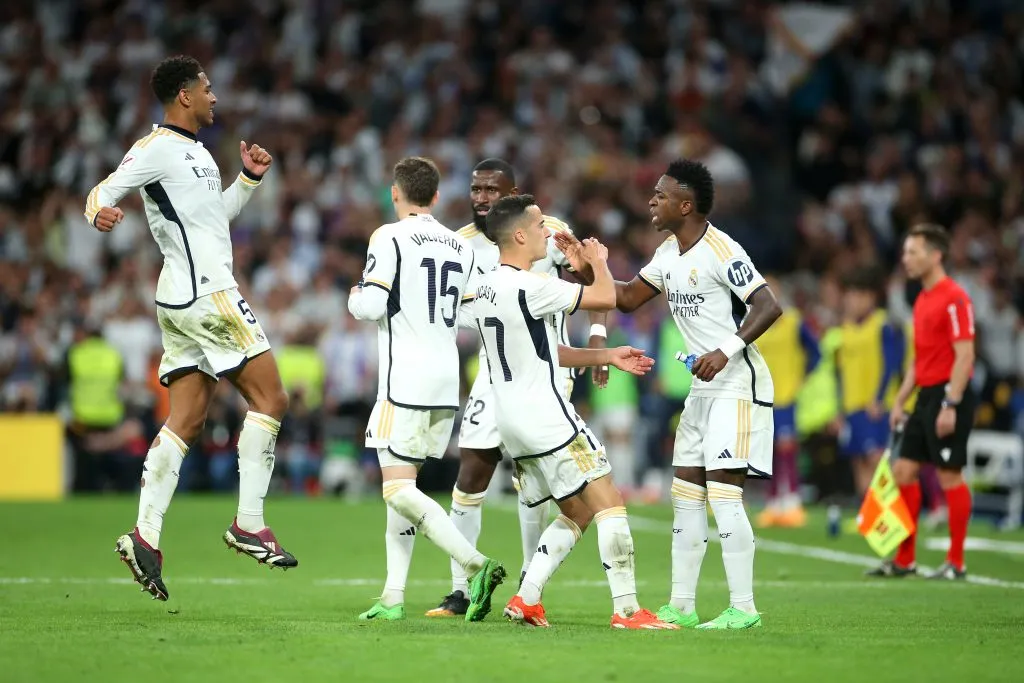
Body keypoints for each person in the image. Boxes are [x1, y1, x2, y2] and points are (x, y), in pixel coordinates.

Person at [86, 55, 294, 601]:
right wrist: (98, 214)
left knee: (188, 419)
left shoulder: (196, 151)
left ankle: (145, 535)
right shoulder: (154, 148)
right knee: (271, 400)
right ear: (184, 95)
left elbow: (214, 218)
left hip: (179, 298)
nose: (214, 97)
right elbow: (104, 189)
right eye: (207, 88)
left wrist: (247, 180)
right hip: (207, 294)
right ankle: (249, 521)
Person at [577, 158, 782, 630]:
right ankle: (682, 606)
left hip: (736, 384)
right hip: (701, 388)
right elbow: (626, 298)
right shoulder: (669, 252)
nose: (651, 201)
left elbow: (768, 304)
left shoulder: (721, 249)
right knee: (685, 494)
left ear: (685, 204)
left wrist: (726, 350)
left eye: (660, 195)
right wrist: (594, 268)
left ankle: (744, 608)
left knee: (725, 497)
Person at [473, 194, 675, 630]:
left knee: (578, 511)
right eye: (539, 225)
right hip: (547, 415)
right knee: (609, 503)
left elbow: (548, 353)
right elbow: (606, 295)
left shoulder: (486, 286)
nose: (548, 232)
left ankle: (527, 599)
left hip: (512, 421)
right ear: (521, 235)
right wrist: (597, 260)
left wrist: (609, 354)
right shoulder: (530, 285)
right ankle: (627, 610)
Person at [426, 158, 609, 618]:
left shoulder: (547, 229)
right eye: (476, 188)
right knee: (470, 475)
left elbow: (590, 281)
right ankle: (462, 589)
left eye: (491, 189)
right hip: (492, 371)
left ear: (513, 193)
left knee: (536, 484)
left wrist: (599, 336)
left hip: (545, 369)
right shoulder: (458, 245)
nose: (481, 197)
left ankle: (530, 584)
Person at [349, 156, 505, 622]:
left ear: (395, 193)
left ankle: (475, 563)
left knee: (396, 491)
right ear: (436, 197)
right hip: (445, 378)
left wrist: (354, 296)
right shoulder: (460, 246)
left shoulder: (389, 236)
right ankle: (393, 595)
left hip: (405, 378)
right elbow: (473, 312)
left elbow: (371, 303)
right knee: (405, 485)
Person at [868, 224, 976, 580]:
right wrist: (900, 400)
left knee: (949, 475)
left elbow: (965, 355)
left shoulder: (955, 298)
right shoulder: (923, 300)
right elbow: (920, 358)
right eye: (905, 252)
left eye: (913, 252)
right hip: (925, 395)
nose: (906, 259)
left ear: (935, 255)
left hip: (948, 394)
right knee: (903, 472)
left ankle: (956, 562)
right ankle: (905, 559)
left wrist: (951, 403)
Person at [755, 275, 819, 527]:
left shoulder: (794, 322)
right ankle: (772, 503)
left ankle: (792, 501)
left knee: (787, 448)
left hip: (786, 396)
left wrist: (802, 377)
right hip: (761, 398)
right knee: (766, 451)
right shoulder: (754, 324)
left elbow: (816, 351)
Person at [834, 267, 903, 497]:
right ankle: (868, 515)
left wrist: (879, 397)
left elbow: (891, 363)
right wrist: (840, 408)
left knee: (877, 459)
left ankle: (888, 512)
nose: (850, 302)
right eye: (849, 296)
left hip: (875, 407)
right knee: (858, 462)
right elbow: (840, 373)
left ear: (870, 297)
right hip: (852, 406)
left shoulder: (882, 325)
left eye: (855, 296)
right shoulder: (844, 330)